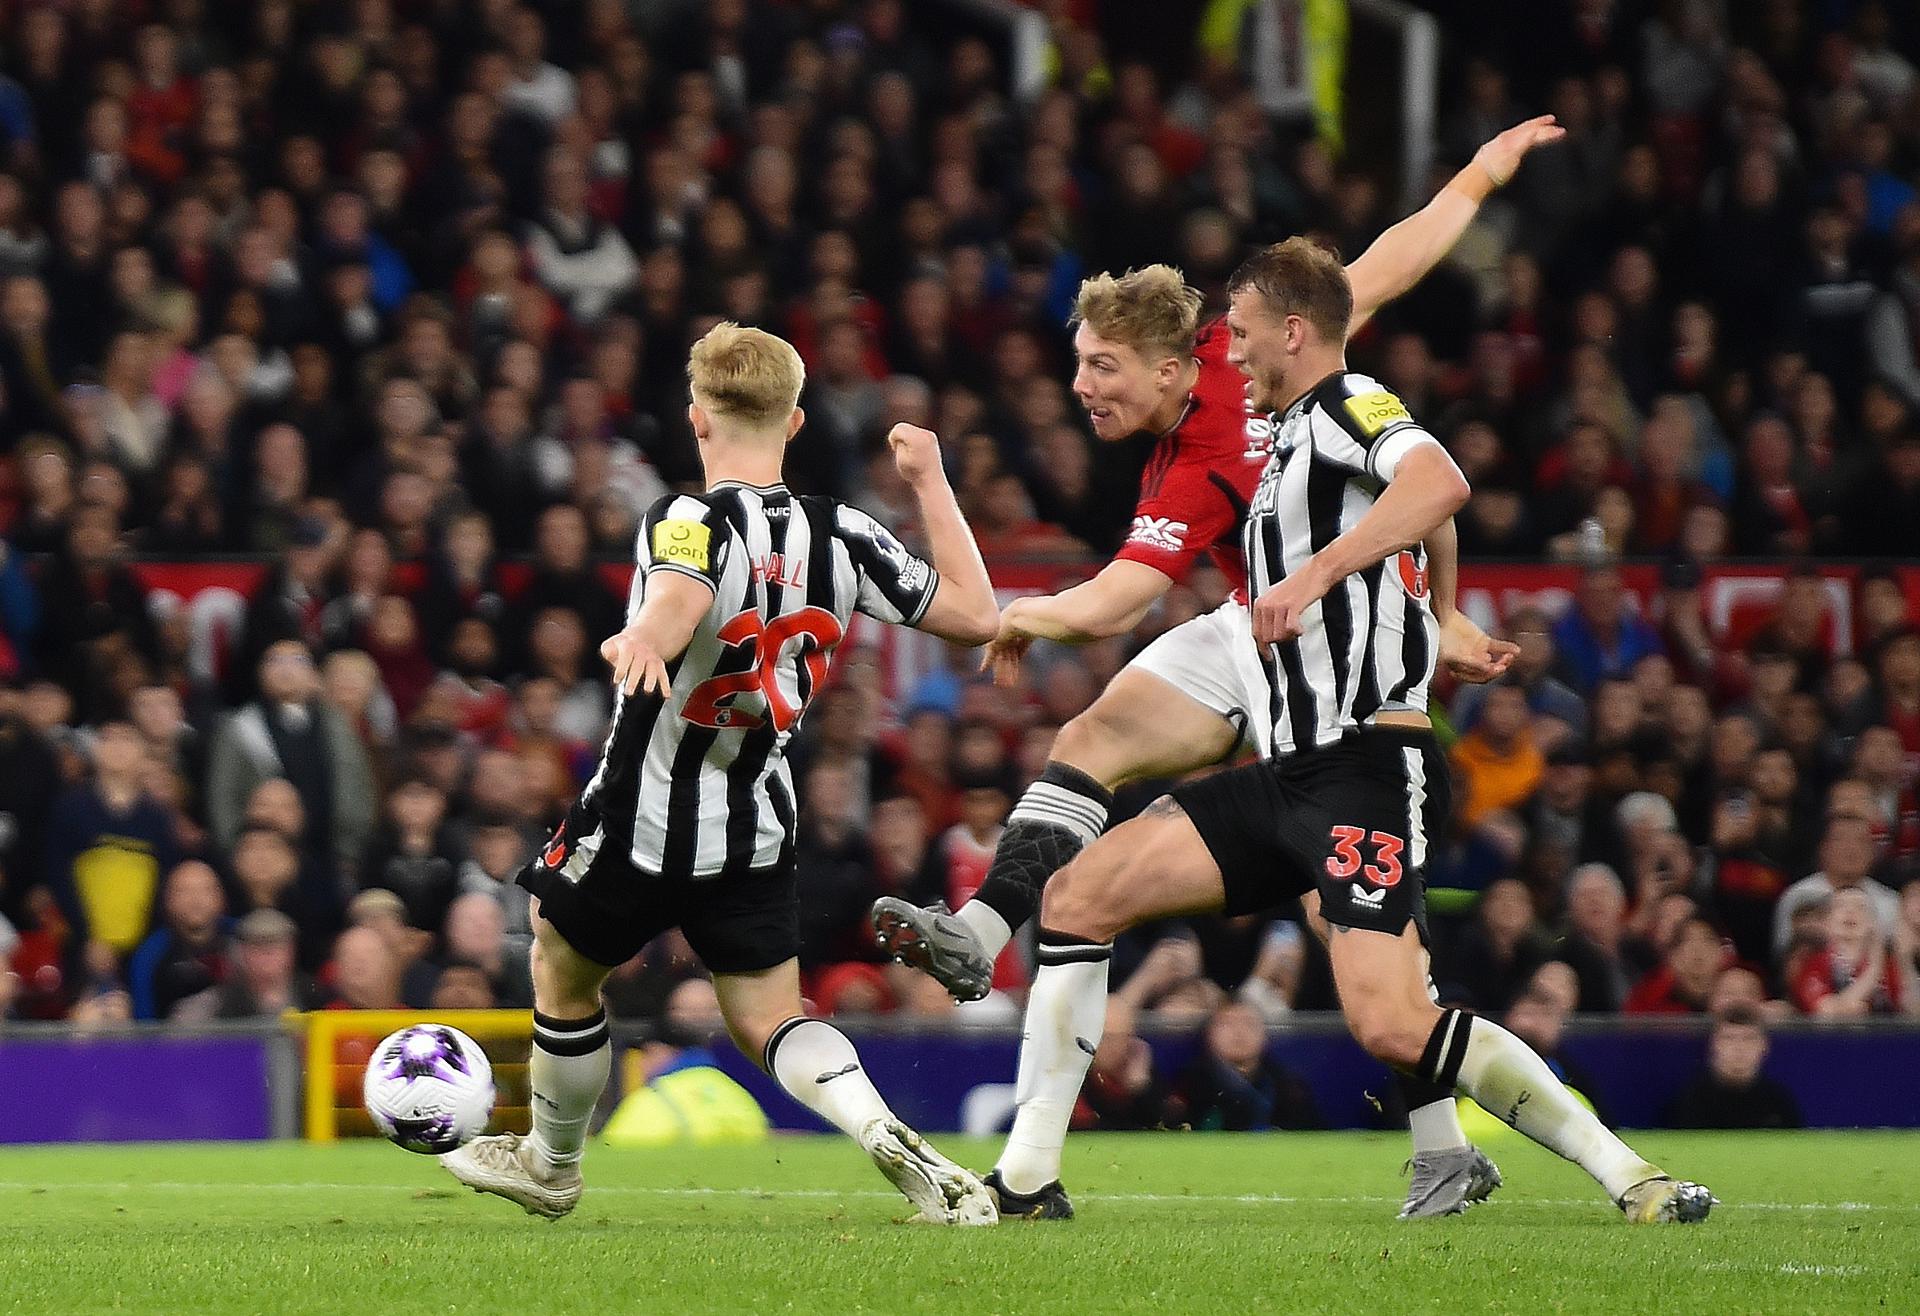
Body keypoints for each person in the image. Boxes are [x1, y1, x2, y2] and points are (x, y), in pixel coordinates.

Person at [874, 116, 1568, 1217]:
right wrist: (1040, 615)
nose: (1082, 389)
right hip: (1260, 627)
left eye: (1101, 368)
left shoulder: (1257, 351)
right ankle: (988, 947)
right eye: (1076, 366)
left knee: (1363, 903)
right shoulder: (1181, 464)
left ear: (1165, 361)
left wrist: (1481, 173)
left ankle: (1444, 1140)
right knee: (1094, 740)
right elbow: (1121, 592)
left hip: (1332, 639)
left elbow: (1388, 262)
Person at [976, 240, 1712, 1226]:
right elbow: (1420, 514)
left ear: (1290, 333)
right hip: (1289, 770)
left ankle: (1632, 1175)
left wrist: (1322, 576)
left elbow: (1438, 482)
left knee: (1391, 1015)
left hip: (1371, 763)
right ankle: (1025, 1182)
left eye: (1237, 335)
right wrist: (1442, 608)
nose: (1224, 354)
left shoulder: (1344, 405)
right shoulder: (1276, 442)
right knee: (1078, 895)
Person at [441, 324, 1004, 1226]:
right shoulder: (845, 532)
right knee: (771, 1016)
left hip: (642, 814)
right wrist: (931, 481)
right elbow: (978, 615)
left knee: (557, 954)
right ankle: (876, 1125)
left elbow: (681, 593)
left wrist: (644, 638)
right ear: (795, 421)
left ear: (697, 419)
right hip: (756, 820)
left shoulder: (689, 516)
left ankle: (551, 1165)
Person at [1664, 1009, 1803, 1129]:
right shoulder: (1690, 1102)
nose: (1739, 1047)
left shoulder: (1780, 1103)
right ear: (1714, 1045)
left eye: (1749, 1038)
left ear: (1764, 1046)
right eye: (1729, 1038)